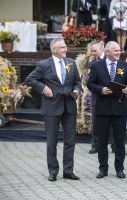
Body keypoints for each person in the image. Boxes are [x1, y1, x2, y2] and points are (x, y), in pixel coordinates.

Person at [25, 38, 82, 182]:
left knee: (70, 141)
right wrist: (44, 88)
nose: (65, 50)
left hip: (69, 106)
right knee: (52, 142)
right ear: (54, 50)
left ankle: (68, 171)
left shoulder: (71, 63)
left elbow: (77, 82)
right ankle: (53, 171)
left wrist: (76, 90)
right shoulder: (43, 65)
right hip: (52, 108)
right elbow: (30, 79)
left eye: (65, 47)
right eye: (62, 47)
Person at [87, 41, 127, 179]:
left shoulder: (125, 65)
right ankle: (103, 169)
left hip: (120, 109)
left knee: (119, 141)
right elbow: (90, 83)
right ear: (107, 52)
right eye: (115, 51)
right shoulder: (96, 65)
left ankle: (119, 169)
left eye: (119, 50)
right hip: (102, 109)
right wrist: (100, 90)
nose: (119, 53)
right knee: (102, 141)